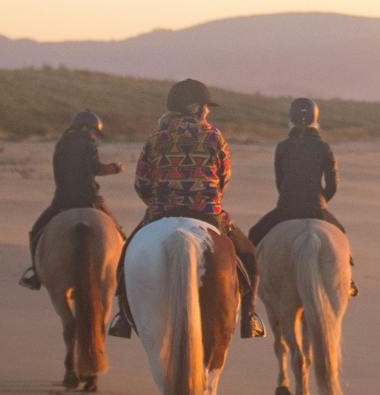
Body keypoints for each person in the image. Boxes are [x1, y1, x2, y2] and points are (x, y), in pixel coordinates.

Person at [110, 78, 265, 340]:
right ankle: (249, 318)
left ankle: (123, 319)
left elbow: (141, 183)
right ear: (196, 107)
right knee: (249, 258)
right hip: (207, 213)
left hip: (161, 212)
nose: (208, 111)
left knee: (125, 259)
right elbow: (224, 179)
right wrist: (206, 198)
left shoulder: (156, 137)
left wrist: (159, 204)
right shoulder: (214, 135)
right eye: (206, 106)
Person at [247, 98, 358, 296]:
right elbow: (333, 184)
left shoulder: (283, 147)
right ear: (316, 119)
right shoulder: (324, 147)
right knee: (342, 237)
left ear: (291, 118)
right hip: (316, 209)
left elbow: (280, 182)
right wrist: (321, 200)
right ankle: (348, 282)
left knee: (254, 234)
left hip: (286, 208)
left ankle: (248, 282)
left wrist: (290, 199)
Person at [19, 110, 123, 290]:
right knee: (119, 233)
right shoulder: (89, 144)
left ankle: (36, 274)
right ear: (87, 129)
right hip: (89, 200)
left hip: (62, 202)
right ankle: (122, 273)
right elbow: (95, 168)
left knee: (35, 232)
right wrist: (115, 168)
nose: (94, 136)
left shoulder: (61, 144)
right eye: (94, 132)